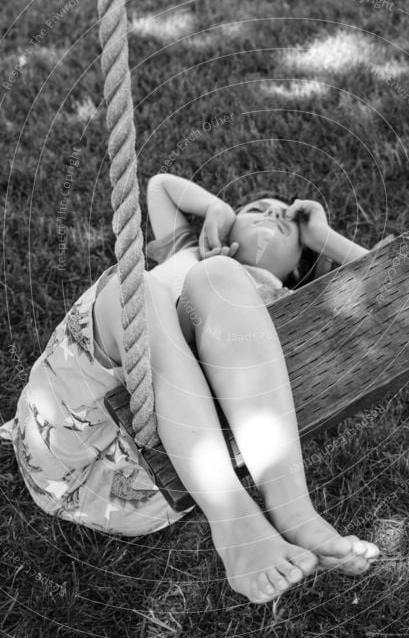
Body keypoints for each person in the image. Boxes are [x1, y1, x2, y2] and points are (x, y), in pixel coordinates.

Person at [0, 173, 380, 605]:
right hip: (56, 425)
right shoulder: (187, 248)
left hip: (139, 489)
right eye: (258, 209)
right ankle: (234, 515)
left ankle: (291, 511)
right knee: (146, 284)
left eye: (287, 224)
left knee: (217, 278)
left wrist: (324, 236)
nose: (273, 214)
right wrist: (217, 211)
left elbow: (391, 286)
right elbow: (160, 186)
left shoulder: (290, 304)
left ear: (298, 266)